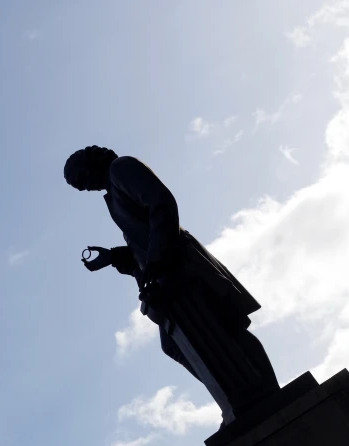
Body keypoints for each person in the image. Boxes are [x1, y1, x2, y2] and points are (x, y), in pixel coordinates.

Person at [64, 146, 279, 423]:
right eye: (78, 187)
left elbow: (161, 205)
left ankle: (261, 394)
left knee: (224, 328)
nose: (84, 188)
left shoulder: (121, 168)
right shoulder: (114, 193)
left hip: (180, 267)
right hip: (166, 273)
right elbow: (142, 240)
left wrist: (157, 259)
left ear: (91, 162)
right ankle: (234, 396)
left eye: (80, 179)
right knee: (183, 343)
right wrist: (115, 256)